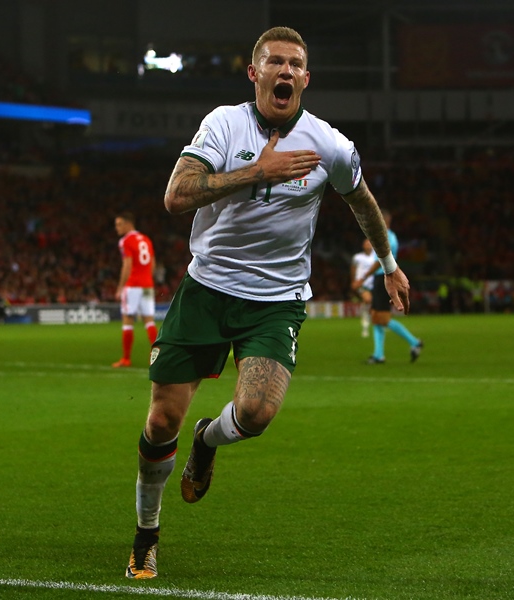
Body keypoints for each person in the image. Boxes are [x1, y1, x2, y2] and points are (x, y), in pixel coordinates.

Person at [125, 26, 411, 580]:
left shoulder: (328, 144)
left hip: (276, 300)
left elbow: (362, 200)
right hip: (206, 289)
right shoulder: (222, 125)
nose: (285, 71)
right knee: (161, 421)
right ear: (253, 73)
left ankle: (208, 440)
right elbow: (174, 197)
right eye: (274, 62)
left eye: (295, 64)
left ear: (305, 78)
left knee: (255, 414)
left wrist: (390, 264)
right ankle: (146, 532)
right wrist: (259, 171)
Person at [363, 210, 423, 364]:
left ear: (384, 220)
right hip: (381, 277)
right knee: (376, 316)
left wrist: (363, 277)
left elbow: (379, 261)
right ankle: (378, 354)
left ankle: (414, 342)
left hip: (384, 278)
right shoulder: (390, 236)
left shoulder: (386, 237)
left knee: (382, 318)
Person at [113, 211, 158, 367]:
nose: (117, 228)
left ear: (128, 223)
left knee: (127, 321)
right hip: (147, 284)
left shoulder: (125, 241)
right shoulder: (146, 239)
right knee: (149, 322)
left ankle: (126, 358)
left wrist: (120, 287)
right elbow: (152, 263)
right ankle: (159, 358)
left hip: (132, 286)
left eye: (119, 224)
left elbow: (127, 265)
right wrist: (147, 279)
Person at [350, 239, 377, 337]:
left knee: (374, 305)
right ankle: (365, 326)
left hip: (374, 284)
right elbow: (353, 269)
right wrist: (353, 281)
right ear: (363, 246)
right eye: (366, 243)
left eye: (370, 243)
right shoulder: (358, 257)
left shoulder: (376, 256)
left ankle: (378, 323)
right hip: (362, 284)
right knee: (368, 300)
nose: (368, 245)